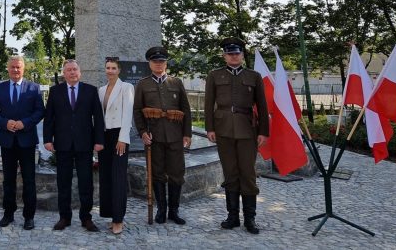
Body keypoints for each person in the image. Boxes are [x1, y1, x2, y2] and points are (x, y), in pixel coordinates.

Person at [204, 37, 269, 234]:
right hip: (223, 129)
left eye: (237, 53)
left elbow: (262, 106)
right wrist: (210, 128)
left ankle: (250, 219)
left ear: (242, 55)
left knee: (247, 174)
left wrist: (264, 131)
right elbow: (208, 104)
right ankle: (232, 217)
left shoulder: (254, 76)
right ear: (224, 56)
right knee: (230, 173)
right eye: (230, 53)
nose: (234, 56)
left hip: (247, 130)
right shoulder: (214, 75)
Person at [43, 59, 105, 232]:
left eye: (75, 70)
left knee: (86, 183)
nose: (72, 73)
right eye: (68, 70)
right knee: (63, 183)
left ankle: (86, 218)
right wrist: (48, 139)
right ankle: (64, 217)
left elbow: (98, 118)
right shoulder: (55, 91)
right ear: (64, 73)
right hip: (62, 144)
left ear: (80, 72)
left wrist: (99, 140)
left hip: (85, 144)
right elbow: (49, 118)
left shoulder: (91, 91)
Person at [133, 46, 192, 226]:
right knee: (157, 174)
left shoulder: (176, 82)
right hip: (154, 137)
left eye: (162, 61)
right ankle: (161, 210)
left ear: (166, 63)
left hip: (175, 135)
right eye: (155, 61)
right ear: (150, 64)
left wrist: (187, 134)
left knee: (176, 174)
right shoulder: (143, 84)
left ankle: (174, 211)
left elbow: (186, 109)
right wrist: (143, 132)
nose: (158, 64)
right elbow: (137, 111)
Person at [0, 55, 45, 230]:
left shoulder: (34, 88)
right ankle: (8, 213)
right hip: (7, 140)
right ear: (8, 68)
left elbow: (40, 111)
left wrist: (24, 123)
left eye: (18, 67)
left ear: (23, 68)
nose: (15, 70)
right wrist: (5, 123)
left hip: (26, 140)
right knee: (8, 180)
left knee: (29, 180)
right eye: (12, 67)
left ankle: (29, 216)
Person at [98, 57, 135, 234]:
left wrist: (123, 138)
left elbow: (128, 114)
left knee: (118, 177)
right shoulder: (101, 90)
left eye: (113, 68)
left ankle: (118, 219)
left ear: (119, 70)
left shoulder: (126, 87)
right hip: (105, 136)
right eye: (108, 68)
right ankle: (110, 215)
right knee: (105, 177)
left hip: (119, 136)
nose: (110, 71)